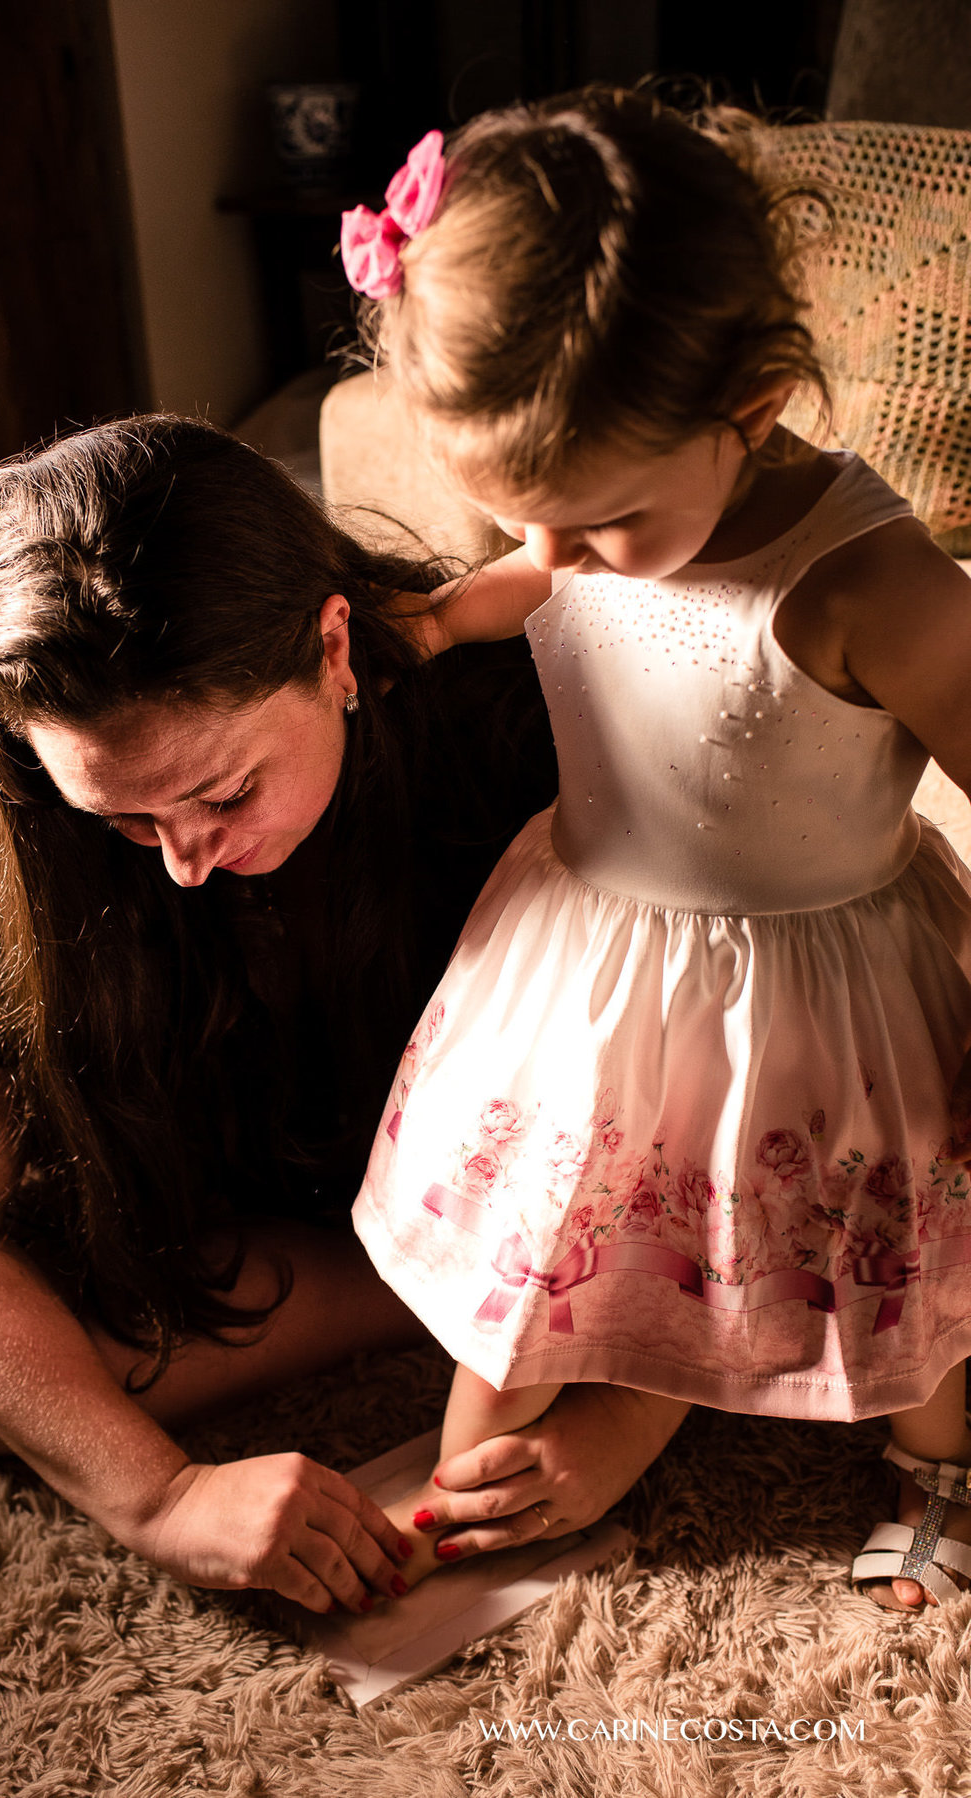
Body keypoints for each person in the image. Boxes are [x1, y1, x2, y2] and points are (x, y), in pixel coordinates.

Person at [0, 414, 684, 1618]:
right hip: (252, 1202)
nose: (184, 861)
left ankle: (491, 1282)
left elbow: (730, 1035)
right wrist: (160, 1498)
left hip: (534, 1174)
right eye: (126, 819)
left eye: (225, 791)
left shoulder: (509, 707)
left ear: (336, 648)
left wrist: (638, 1402)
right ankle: (426, 1294)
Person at [341, 91, 971, 1612]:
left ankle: (939, 1469)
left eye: (596, 522)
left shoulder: (870, 582)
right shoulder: (576, 528)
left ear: (751, 404)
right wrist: (427, 619)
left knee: (874, 1252)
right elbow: (526, 586)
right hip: (591, 947)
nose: (554, 557)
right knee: (545, 1210)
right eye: (522, 519)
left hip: (818, 982)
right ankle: (495, 1453)